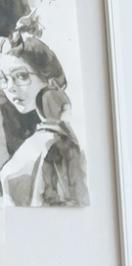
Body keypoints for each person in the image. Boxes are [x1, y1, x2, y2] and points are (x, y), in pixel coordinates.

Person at [0, 15, 88, 206]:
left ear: (48, 79)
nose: (10, 88)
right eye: (4, 79)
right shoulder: (47, 136)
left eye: (21, 76)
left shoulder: (55, 141)